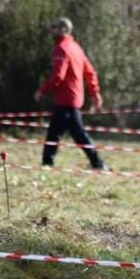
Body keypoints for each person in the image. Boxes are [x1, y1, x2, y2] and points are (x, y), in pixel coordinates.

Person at [34, 17, 108, 170]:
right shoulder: (76, 47)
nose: (51, 30)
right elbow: (90, 72)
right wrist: (95, 93)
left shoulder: (61, 48)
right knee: (57, 133)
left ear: (64, 29)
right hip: (74, 99)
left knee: (72, 134)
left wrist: (43, 90)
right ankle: (48, 162)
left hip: (66, 99)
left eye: (54, 27)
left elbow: (57, 77)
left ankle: (98, 163)